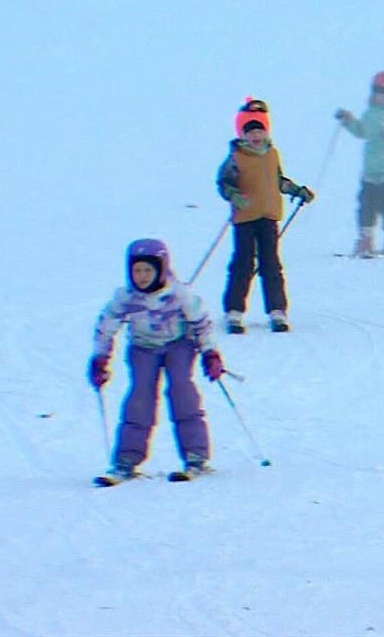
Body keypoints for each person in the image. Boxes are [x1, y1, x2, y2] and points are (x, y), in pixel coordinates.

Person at [88, 239, 225, 484]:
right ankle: (126, 460)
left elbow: (202, 322)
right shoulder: (126, 297)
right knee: (140, 398)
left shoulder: (178, 293)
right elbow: (106, 327)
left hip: (178, 345)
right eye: (137, 270)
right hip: (143, 348)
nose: (142, 276)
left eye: (148, 270)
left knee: (182, 391)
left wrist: (210, 353)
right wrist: (100, 359)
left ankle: (196, 456)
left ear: (162, 269)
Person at [217, 97, 315, 333]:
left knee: (271, 263)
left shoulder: (272, 154)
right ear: (242, 134)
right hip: (245, 218)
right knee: (243, 263)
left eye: (259, 130)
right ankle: (234, 311)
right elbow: (223, 183)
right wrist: (235, 196)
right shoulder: (236, 157)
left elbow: (278, 180)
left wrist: (297, 191)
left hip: (269, 216)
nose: (256, 136)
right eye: (250, 132)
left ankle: (277, 310)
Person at [335, 71, 384, 258]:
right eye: (376, 90)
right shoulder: (370, 113)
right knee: (366, 205)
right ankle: (365, 239)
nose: (378, 95)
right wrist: (348, 121)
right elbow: (362, 132)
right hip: (370, 171)